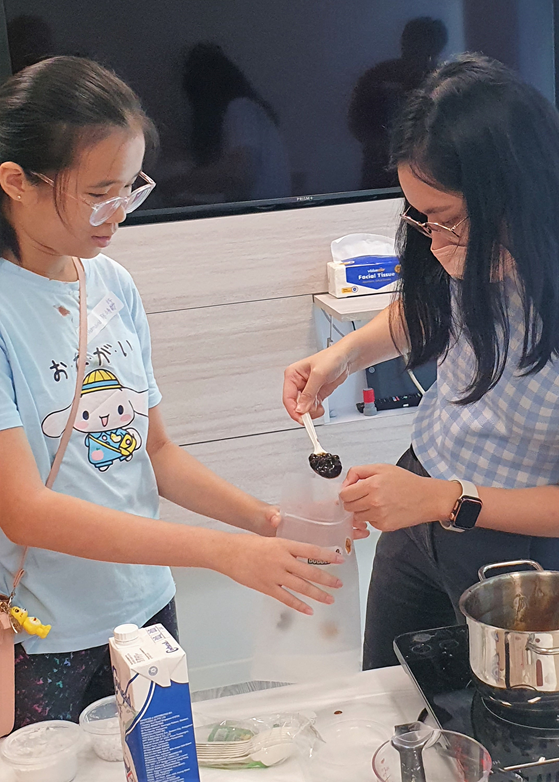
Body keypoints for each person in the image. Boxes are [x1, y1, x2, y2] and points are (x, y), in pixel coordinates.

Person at [0, 56, 346, 729]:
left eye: (131, 188)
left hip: (149, 614)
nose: (118, 214)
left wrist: (267, 523)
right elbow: (26, 512)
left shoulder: (112, 285)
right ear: (15, 180)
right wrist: (220, 551)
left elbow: (155, 451)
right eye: (100, 192)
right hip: (46, 635)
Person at [284, 54, 559, 669]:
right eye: (421, 219)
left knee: (493, 732)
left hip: (522, 553)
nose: (435, 242)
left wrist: (443, 500)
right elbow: (428, 312)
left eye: (448, 221)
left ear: (526, 195)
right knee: (391, 695)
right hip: (423, 497)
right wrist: (345, 354)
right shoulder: (477, 249)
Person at [161, 42, 291, 205]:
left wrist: (178, 182)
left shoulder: (241, 109)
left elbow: (238, 173)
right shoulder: (250, 110)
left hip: (262, 215)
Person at [348, 17, 448, 189]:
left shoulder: (446, 81)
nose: (414, 46)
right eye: (410, 39)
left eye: (423, 42)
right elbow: (357, 125)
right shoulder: (378, 76)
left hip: (433, 178)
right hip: (380, 177)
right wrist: (390, 148)